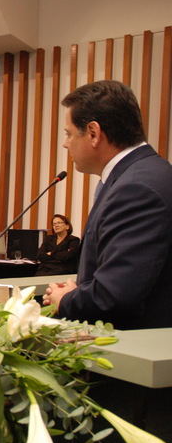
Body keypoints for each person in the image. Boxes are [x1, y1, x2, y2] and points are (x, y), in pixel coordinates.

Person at [43, 80, 172, 330]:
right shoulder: (140, 175)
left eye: (69, 133)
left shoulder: (137, 189)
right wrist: (81, 289)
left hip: (133, 345)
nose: (65, 144)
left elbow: (115, 295)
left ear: (93, 133)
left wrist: (66, 299)